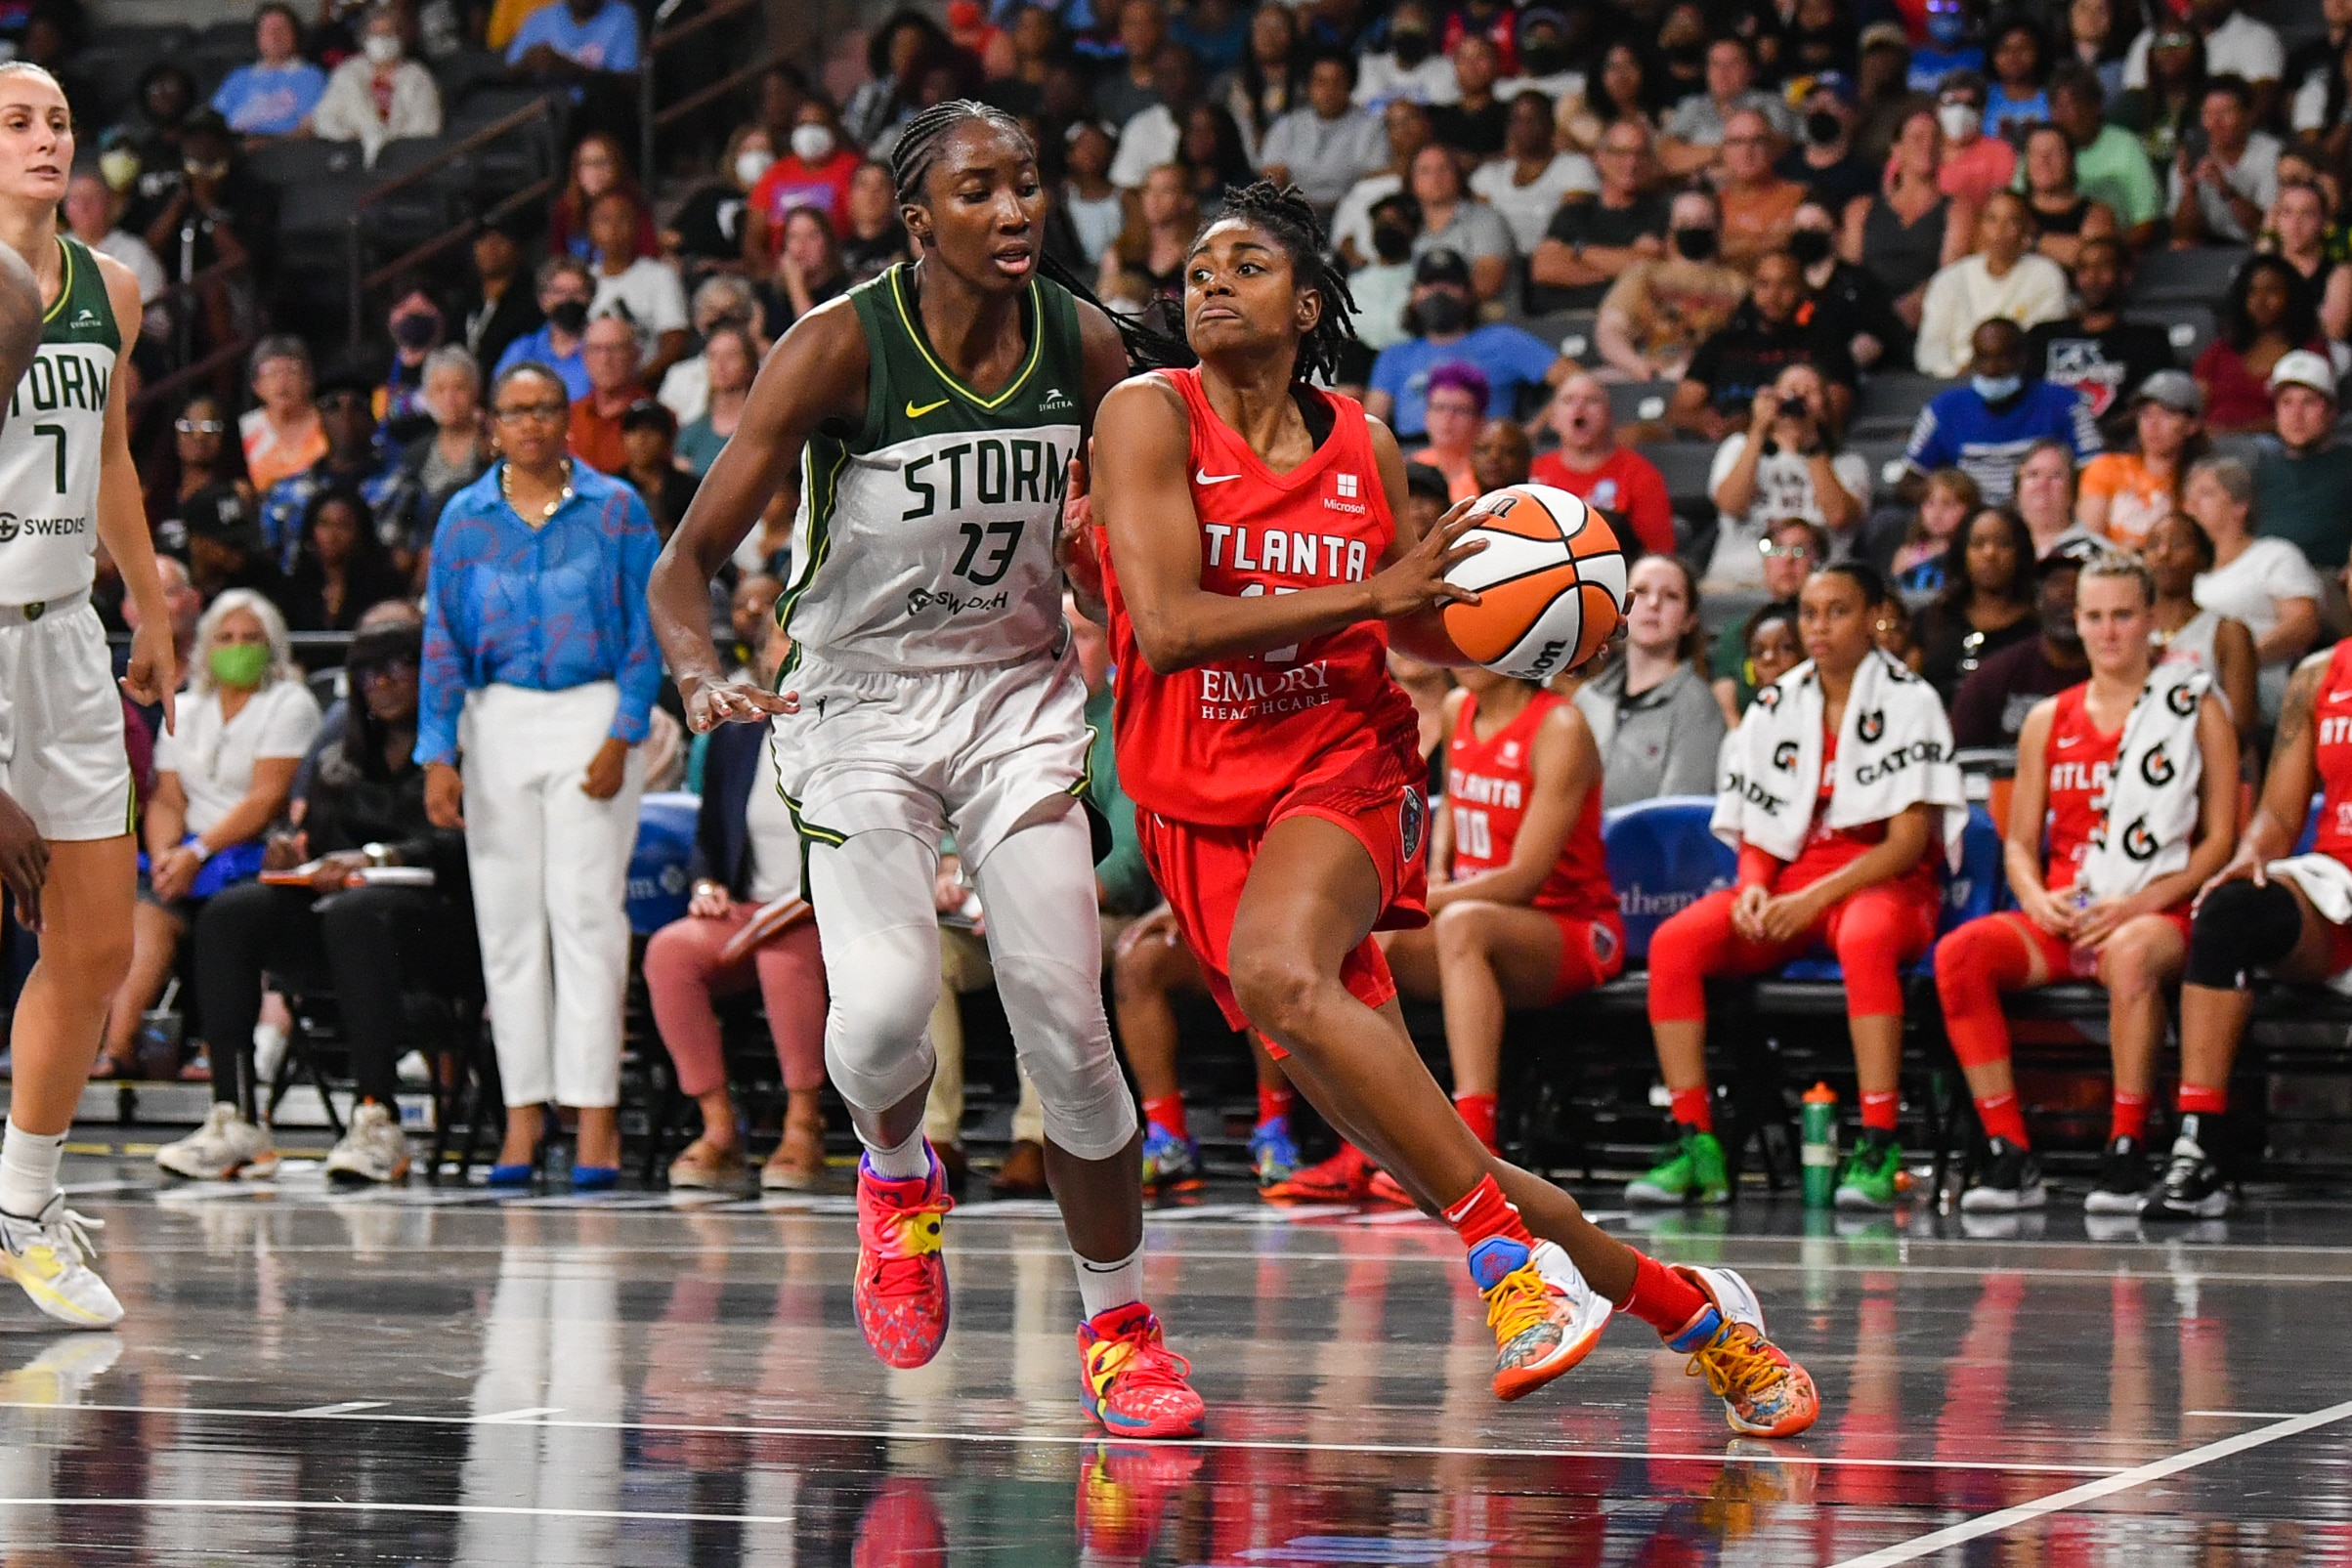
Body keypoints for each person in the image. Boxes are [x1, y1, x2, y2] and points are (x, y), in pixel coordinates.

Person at [1092, 176, 1819, 1433]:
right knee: (1436, 1158)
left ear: (1308, 302)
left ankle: (1506, 1271)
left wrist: (1542, 619)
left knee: (1280, 975)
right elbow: (1164, 631)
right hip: (1191, 801)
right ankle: (1692, 1312)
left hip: (1341, 761)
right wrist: (1381, 597)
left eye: (1247, 264)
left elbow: (1417, 619)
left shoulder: (1362, 443)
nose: (1210, 280)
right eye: (1199, 266)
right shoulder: (1144, 417)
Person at [646, 101, 1205, 1436]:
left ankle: (1118, 1324)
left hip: (1016, 697)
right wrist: (693, 670)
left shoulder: (1078, 340)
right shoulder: (835, 346)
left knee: (1069, 1028)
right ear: (915, 219)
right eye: (978, 190)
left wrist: (1098, 546)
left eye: (1026, 183)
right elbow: (681, 567)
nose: (1015, 210)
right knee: (888, 1010)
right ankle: (894, 1176)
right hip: (859, 705)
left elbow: (1147, 496)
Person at [0, 63, 177, 1328]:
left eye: (57, 120)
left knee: (100, 941)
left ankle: (22, 1204)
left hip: (63, 632)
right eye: (16, 121)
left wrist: (152, 604)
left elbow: (110, 454)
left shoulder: (109, 287)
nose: (44, 137)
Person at [1638, 563, 1962, 1212]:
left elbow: (1905, 844)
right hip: (1790, 886)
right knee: (1674, 944)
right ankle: (1695, 1140)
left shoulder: (1910, 700)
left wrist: (1813, 898)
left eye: (1836, 611)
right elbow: (1758, 826)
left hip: (1885, 883)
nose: (1818, 626)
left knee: (1866, 936)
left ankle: (1877, 1142)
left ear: (1872, 614)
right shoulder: (1776, 703)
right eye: (1809, 612)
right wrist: (1755, 885)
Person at [1935, 554, 2238, 1212]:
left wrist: (2137, 904)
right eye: (2094, 616)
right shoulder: (2048, 717)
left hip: (2156, 906)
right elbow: (2017, 841)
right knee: (1959, 955)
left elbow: (2220, 840)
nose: (2107, 631)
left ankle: (2126, 1146)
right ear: (2075, 620)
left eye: (2122, 615)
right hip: (2066, 909)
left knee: (2130, 955)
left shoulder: (2192, 704)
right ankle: (2007, 1152)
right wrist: (2036, 894)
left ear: (2151, 620)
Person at [419, 362, 657, 1194]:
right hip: (496, 718)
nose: (529, 422)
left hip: (591, 711)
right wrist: (437, 750)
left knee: (587, 915)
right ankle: (524, 1110)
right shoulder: (463, 517)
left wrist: (624, 730)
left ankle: (594, 1112)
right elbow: (441, 639)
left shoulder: (617, 507)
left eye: (544, 408)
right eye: (514, 411)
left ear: (567, 420)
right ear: (491, 425)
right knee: (508, 925)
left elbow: (646, 625)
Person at [156, 618, 473, 1187]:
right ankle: (236, 1116)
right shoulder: (338, 759)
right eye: (369, 672)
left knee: (355, 915)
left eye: (398, 667)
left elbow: (462, 848)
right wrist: (287, 852)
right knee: (232, 913)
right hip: (345, 928)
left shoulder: (461, 749)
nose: (382, 682)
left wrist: (375, 860)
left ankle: (379, 1117)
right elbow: (319, 848)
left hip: (439, 931)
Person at [1370, 665, 1625, 1167]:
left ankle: (1475, 1147)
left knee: (1462, 923)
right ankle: (1377, 1144)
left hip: (1570, 924)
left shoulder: (1560, 727)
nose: (1459, 651)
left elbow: (1522, 878)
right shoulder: (1456, 706)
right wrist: (1437, 869)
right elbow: (1450, 807)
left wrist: (1420, 901)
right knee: (1370, 944)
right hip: (1469, 918)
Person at [2157, 632, 2352, 1219]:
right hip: (2338, 884)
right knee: (2231, 908)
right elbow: (2280, 812)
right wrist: (2252, 853)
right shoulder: (2318, 676)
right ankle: (2201, 1148)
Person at [649, 615, 828, 1193]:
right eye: (783, 636)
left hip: (825, 913)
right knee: (670, 953)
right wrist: (706, 886)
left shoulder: (855, 730)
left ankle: (805, 1125)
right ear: (766, 650)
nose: (792, 648)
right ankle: (720, 1130)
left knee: (783, 954)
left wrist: (795, 908)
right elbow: (708, 837)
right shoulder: (739, 732)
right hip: (750, 909)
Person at [126, 591, 321, 1094]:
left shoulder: (289, 702)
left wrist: (198, 852)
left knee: (232, 913)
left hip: (255, 849)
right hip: (189, 851)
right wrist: (171, 854)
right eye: (227, 638)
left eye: (252, 638)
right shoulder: (185, 706)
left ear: (272, 646)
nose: (238, 647)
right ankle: (116, 1046)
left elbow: (267, 797)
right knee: (147, 906)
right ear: (206, 647)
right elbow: (166, 797)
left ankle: (225, 1048)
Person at [1364, 250, 1565, 440]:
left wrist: (1529, 432)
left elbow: (1574, 380)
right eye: (1429, 284)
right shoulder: (1394, 355)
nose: (1438, 293)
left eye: (1449, 284)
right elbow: (1371, 426)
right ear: (1414, 294)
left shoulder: (1503, 340)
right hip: (1413, 459)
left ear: (1468, 293)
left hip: (1485, 457)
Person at [1574, 555, 1725, 807]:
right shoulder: (1588, 697)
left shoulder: (1699, 708)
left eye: (1671, 596)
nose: (1653, 603)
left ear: (1690, 620)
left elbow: (1675, 817)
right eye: (1641, 592)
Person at [1902, 318, 2103, 506]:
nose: (1991, 369)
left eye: (2002, 357)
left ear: (2022, 358)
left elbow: (2096, 473)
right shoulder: (1944, 409)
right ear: (1972, 361)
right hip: (1969, 524)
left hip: (2045, 514)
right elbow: (1908, 482)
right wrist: (1951, 499)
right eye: (1983, 357)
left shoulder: (2066, 404)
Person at [1705, 362, 1870, 588]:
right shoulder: (1737, 448)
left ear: (1824, 406)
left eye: (1810, 392)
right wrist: (1758, 429)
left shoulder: (1848, 463)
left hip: (1818, 584)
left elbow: (1838, 516)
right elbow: (1730, 503)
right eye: (1791, 389)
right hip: (1737, 580)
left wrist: (1811, 441)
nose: (1798, 397)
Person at [2185, 455, 2321, 721]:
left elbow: (2303, 624)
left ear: (2240, 505)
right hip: (2190, 695)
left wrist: (2237, 662)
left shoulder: (2274, 555)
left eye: (2206, 494)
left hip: (2262, 692)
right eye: (2189, 498)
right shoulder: (2187, 577)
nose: (2191, 507)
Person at [1671, 251, 1857, 442]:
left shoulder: (1826, 343)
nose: (1773, 296)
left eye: (1785, 285)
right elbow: (1678, 412)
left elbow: (1832, 416)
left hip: (1792, 452)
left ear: (1802, 289)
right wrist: (1703, 422)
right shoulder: (1721, 343)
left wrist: (1755, 424)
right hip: (1720, 450)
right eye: (1763, 284)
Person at [1951, 535, 2099, 746]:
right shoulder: (1991, 680)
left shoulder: (2127, 680)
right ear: (2036, 596)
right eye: (2057, 582)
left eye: (2080, 584)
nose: (2067, 594)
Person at [1594, 188, 1749, 384]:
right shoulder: (1644, 274)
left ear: (1718, 228)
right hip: (1649, 376)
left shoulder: (1739, 286)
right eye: (1684, 222)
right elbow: (1610, 330)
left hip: (1712, 382)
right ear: (1670, 228)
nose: (1693, 228)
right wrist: (1641, 368)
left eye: (1702, 221)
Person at [1846, 109, 1973, 339]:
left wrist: (1901, 314)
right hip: (1866, 318)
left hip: (1928, 317)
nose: (1927, 145)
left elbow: (1950, 276)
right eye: (1917, 138)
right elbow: (1848, 274)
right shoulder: (1861, 209)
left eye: (1934, 138)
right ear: (1896, 149)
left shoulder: (1957, 210)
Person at [2023, 236, 2175, 427]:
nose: (2092, 278)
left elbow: (2153, 406)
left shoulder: (2148, 339)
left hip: (2117, 444)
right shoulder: (2043, 335)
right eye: (2084, 269)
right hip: (2049, 442)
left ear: (2125, 275)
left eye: (2103, 267)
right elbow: (2026, 400)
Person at [1914, 191, 2069, 377]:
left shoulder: (2047, 276)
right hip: (1954, 385)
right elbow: (1930, 350)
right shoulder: (1949, 280)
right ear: (1980, 226)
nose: (2000, 230)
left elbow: (2044, 345)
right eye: (1992, 219)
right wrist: (1954, 374)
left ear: (2027, 228)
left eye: (2012, 221)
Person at [1526, 117, 1669, 313]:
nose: (1631, 163)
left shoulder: (1662, 212)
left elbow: (1647, 267)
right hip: (1559, 320)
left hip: (1623, 321)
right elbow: (1545, 267)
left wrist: (1579, 251)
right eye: (1621, 153)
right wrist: (1616, 274)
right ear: (1600, 158)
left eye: (1640, 153)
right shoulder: (1573, 213)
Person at [259, 370, 399, 571]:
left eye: (357, 406)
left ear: (373, 421)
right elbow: (269, 560)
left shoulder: (399, 486)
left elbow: (398, 564)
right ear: (319, 420)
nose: (345, 416)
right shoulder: (284, 491)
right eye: (332, 405)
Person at [1528, 372, 1675, 558]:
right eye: (1568, 400)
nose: (1579, 408)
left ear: (1609, 416)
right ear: (1553, 420)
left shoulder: (1641, 475)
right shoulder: (1532, 472)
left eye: (1591, 400)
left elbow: (1658, 555)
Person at [2148, 510, 2260, 736]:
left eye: (2178, 544)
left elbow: (2241, 725)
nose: (2164, 553)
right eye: (2154, 544)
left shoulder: (2228, 632)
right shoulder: (2129, 631)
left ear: (2202, 558)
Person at [1916, 504, 2038, 702]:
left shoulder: (2037, 629)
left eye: (2003, 543)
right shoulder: (1933, 618)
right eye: (1978, 544)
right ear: (1963, 552)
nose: (1990, 553)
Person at [2076, 371, 2207, 551]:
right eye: (2146, 414)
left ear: (2192, 425)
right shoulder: (2107, 467)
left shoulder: (2201, 482)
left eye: (2166, 414)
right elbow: (2089, 540)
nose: (2153, 424)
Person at [1710, 518, 1826, 717]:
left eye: (1800, 550)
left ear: (1819, 563)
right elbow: (1724, 694)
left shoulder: (1826, 629)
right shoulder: (1738, 631)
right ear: (1765, 563)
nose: (1788, 559)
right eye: (1777, 549)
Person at [385, 346, 491, 563]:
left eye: (459, 388)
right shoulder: (413, 455)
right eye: (439, 390)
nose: (449, 399)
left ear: (476, 391)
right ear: (427, 395)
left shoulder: (492, 449)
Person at [2196, 257, 2322, 435]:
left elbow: (2310, 416)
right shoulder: (2220, 350)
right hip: (2213, 448)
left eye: (2272, 291)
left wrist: (2236, 432)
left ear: (2292, 295)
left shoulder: (2309, 352)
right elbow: (2193, 409)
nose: (2260, 301)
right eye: (2252, 292)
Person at [2045, 64, 2164, 250]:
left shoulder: (2125, 145)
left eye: (2070, 105)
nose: (2062, 117)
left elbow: (2146, 221)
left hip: (2114, 254)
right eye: (2056, 107)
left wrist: (2104, 253)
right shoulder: (2041, 147)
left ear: (2096, 106)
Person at [1258, 51, 1390, 217]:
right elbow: (1271, 174)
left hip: (1351, 214)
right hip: (1294, 214)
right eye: (1321, 82)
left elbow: (1374, 179)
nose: (1329, 90)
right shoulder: (1288, 125)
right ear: (1309, 87)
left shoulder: (1371, 127)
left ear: (1350, 86)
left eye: (1337, 82)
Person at [2255, 351, 2352, 574]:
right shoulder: (2262, 471)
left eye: (2309, 402)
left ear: (2331, 411)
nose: (2296, 415)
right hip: (2265, 582)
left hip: (2330, 581)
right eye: (2286, 403)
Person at [311, 4, 441, 164]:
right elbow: (325, 118)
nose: (382, 40)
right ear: (364, 37)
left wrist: (388, 143)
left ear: (400, 37)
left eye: (388, 33)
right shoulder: (347, 73)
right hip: (353, 157)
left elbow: (426, 125)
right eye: (376, 33)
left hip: (405, 161)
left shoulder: (417, 76)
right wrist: (358, 137)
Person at [584, 191, 689, 384]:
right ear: (591, 229)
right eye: (604, 220)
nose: (613, 228)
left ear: (637, 227)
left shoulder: (660, 275)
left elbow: (674, 339)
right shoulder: (583, 279)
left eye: (623, 219)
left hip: (645, 384)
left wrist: (636, 382)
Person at [1791, 198, 1906, 373]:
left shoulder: (1861, 284)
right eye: (1800, 229)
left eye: (1815, 228)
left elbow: (1884, 336)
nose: (1806, 235)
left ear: (1836, 233)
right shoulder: (1783, 281)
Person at [1659, 36, 1795, 178]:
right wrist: (1723, 152)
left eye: (1733, 64)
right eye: (1715, 64)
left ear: (1750, 70)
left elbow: (1773, 151)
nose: (1722, 72)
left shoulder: (1771, 103)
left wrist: (1694, 156)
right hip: (1696, 192)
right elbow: (1668, 157)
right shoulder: (1692, 105)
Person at [2168, 75, 2280, 247]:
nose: (2216, 122)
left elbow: (2268, 229)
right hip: (2210, 246)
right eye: (2208, 113)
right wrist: (2190, 189)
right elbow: (2183, 234)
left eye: (2226, 112)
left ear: (2248, 115)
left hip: (2256, 246)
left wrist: (2226, 190)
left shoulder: (2271, 154)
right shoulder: (2192, 154)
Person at [745, 102, 861, 257]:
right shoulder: (776, 173)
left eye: (817, 124)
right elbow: (753, 239)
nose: (809, 131)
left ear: (833, 128)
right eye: (803, 124)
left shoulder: (853, 169)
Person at [283, 487, 407, 632]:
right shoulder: (295, 586)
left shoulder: (385, 586)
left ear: (361, 533)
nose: (332, 536)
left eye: (343, 526)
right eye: (324, 524)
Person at [145, 391, 253, 554]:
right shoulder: (154, 494)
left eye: (211, 427)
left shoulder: (238, 492)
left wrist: (202, 549)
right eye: (188, 426)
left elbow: (240, 559)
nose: (199, 435)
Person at [1401, 145, 1513, 303]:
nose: (1435, 178)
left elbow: (1487, 285)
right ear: (1412, 181)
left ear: (1457, 174)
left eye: (1443, 168)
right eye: (1425, 171)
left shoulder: (1486, 219)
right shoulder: (1406, 225)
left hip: (1478, 320)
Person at [667, 126, 774, 276]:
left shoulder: (785, 200)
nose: (757, 158)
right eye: (748, 151)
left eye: (764, 151)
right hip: (710, 278)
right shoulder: (711, 197)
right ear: (734, 156)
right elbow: (671, 238)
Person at [210, 4, 327, 139]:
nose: (274, 36)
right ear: (258, 37)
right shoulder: (238, 76)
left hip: (280, 148)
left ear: (295, 35)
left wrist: (265, 143)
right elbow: (211, 121)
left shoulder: (311, 76)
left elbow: (309, 129)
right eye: (267, 30)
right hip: (230, 146)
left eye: (281, 30)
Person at [1715, 109, 1806, 274]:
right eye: (1737, 142)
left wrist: (1729, 246)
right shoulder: (1712, 203)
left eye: (1757, 141)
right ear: (1723, 151)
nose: (1747, 151)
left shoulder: (1799, 197)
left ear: (1772, 148)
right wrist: (1763, 242)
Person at [493, 256, 596, 400]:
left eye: (577, 292)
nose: (569, 299)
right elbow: (501, 397)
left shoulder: (605, 348)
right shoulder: (522, 350)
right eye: (560, 292)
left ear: (590, 297)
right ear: (543, 300)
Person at [545, 132, 657, 266]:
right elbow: (558, 258)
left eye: (603, 163)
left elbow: (648, 253)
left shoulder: (633, 204)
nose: (595, 172)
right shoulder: (565, 208)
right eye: (587, 163)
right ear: (576, 170)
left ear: (617, 166)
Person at [2018, 124, 2118, 272]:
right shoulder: (2012, 206)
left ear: (2070, 160)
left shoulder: (2096, 213)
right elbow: (1986, 248)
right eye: (2035, 153)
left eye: (2054, 153)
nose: (2044, 161)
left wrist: (2032, 241)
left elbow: (2088, 258)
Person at [1779, 74, 1877, 216]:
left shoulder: (1867, 177)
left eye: (1832, 103)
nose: (1820, 109)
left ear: (1853, 115)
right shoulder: (1784, 168)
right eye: (1813, 102)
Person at [456, 215, 541, 378]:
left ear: (517, 247)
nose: (491, 247)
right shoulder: (466, 300)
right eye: (483, 240)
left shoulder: (532, 301)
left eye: (500, 239)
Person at [241, 335, 327, 496]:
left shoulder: (329, 423)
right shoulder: (246, 428)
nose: (282, 381)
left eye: (292, 370)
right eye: (271, 372)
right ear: (256, 385)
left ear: (308, 379)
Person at [1872, 466, 1980, 593]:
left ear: (1970, 509)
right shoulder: (1907, 554)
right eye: (1929, 503)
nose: (1937, 513)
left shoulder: (1973, 554)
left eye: (1948, 504)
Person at [566, 315, 644, 475]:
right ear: (584, 357)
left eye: (615, 349)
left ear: (635, 355)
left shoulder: (655, 420)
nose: (605, 359)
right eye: (595, 349)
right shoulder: (568, 418)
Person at [675, 322, 754, 479]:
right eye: (713, 356)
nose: (720, 365)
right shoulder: (691, 433)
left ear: (749, 364)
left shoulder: (763, 429)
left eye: (731, 356)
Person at [1931, 72, 2016, 208]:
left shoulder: (2000, 152)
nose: (1959, 111)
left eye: (1970, 104)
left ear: (1982, 111)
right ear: (1937, 107)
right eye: (1952, 103)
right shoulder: (1918, 149)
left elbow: (2000, 205)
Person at [617, 400, 698, 539]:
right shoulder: (612, 489)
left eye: (651, 430)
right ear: (623, 437)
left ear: (667, 438)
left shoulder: (690, 490)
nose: (641, 438)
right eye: (633, 430)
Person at [1407, 361, 1484, 502]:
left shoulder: (1489, 474)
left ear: (1479, 420)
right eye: (1439, 408)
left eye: (1460, 410)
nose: (1447, 418)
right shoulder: (1406, 471)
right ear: (1426, 415)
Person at [1984, 19, 2051, 136]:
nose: (2013, 56)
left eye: (2023, 48)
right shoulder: (1982, 97)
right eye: (2005, 49)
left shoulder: (2052, 97)